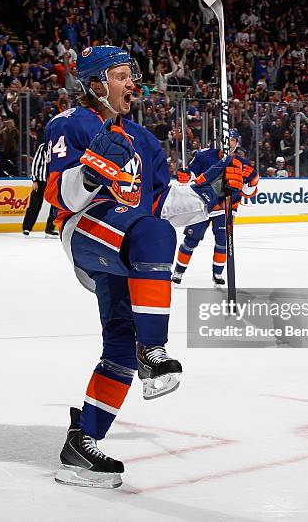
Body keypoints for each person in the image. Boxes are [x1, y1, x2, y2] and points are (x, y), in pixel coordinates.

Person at [44, 46, 243, 488]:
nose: (133, 84)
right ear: (95, 84)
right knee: (155, 235)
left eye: (131, 76)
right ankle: (155, 353)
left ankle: (83, 443)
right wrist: (91, 174)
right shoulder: (69, 123)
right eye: (120, 76)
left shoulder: (144, 139)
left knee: (119, 344)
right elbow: (59, 195)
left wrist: (217, 190)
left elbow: (165, 204)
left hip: (126, 247)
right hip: (85, 230)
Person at [171, 130, 259, 286]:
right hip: (202, 205)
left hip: (226, 208)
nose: (229, 142)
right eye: (226, 139)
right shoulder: (204, 156)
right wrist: (185, 176)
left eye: (232, 139)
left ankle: (217, 274)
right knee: (191, 239)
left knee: (223, 242)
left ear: (237, 143)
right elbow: (191, 178)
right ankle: (178, 271)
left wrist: (252, 181)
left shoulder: (244, 164)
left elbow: (248, 193)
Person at [22, 142, 57, 237]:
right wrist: (34, 180)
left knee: (55, 206)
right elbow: (36, 163)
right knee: (35, 205)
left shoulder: (60, 145)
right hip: (41, 181)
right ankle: (27, 227)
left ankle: (50, 229)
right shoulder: (43, 146)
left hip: (53, 181)